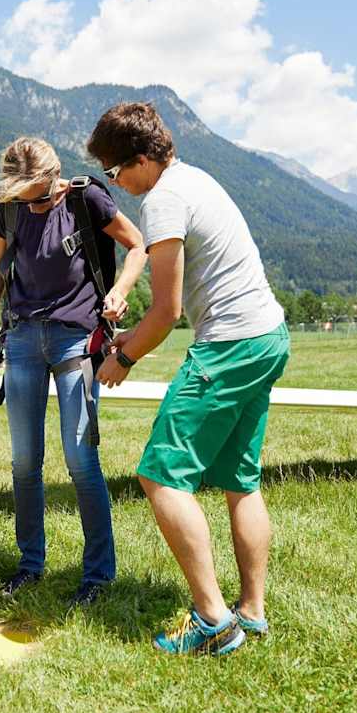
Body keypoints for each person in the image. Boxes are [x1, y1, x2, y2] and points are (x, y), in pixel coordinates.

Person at [91, 103, 289, 655]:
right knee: (240, 480)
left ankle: (213, 624)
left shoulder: (164, 199)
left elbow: (168, 311)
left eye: (115, 173)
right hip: (268, 337)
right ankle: (251, 612)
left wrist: (123, 358)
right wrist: (132, 336)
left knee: (161, 476)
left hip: (228, 347)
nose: (118, 185)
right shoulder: (195, 179)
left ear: (138, 160)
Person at [0, 136, 147, 607]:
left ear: (55, 177)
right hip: (24, 339)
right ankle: (30, 565)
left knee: (79, 459)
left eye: (39, 195)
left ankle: (98, 575)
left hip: (77, 339)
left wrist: (121, 290)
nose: (31, 205)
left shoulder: (86, 197)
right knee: (25, 461)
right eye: (20, 195)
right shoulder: (7, 208)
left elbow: (137, 246)